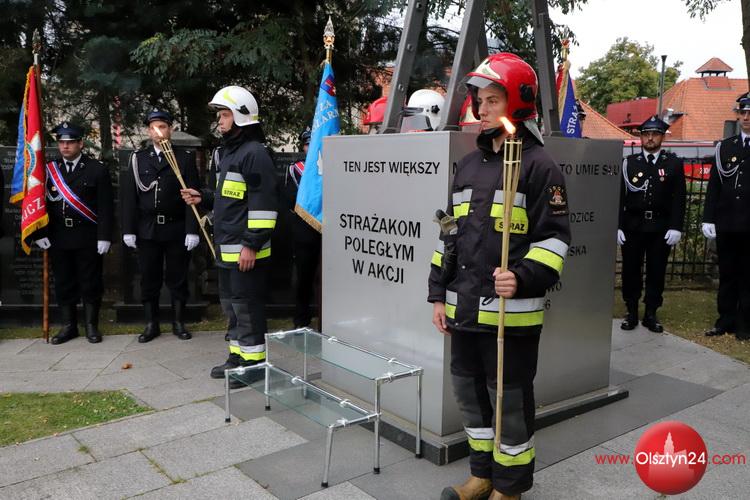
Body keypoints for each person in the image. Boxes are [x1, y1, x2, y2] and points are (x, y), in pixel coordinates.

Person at [428, 53, 571, 500]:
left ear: (518, 103)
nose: (482, 108)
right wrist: (437, 293)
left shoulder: (540, 166)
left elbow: (555, 239)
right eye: (480, 100)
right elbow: (449, 232)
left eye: (493, 100)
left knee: (509, 404)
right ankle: (482, 474)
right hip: (464, 310)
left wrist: (524, 276)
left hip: (511, 316)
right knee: (469, 396)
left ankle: (510, 487)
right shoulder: (468, 165)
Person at [181, 85, 278, 385]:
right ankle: (237, 356)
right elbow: (231, 198)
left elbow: (264, 206)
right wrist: (204, 198)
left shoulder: (255, 154)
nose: (219, 121)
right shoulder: (230, 153)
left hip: (246, 251)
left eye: (224, 115)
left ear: (241, 116)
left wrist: (251, 245)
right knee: (233, 308)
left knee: (247, 308)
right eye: (220, 115)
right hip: (227, 249)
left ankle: (254, 365)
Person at [120, 110, 201, 343]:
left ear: (170, 129)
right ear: (148, 131)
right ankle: (151, 324)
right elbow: (130, 198)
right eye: (153, 128)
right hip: (148, 229)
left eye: (162, 127)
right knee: (149, 278)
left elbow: (192, 196)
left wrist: (192, 230)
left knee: (178, 277)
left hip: (175, 228)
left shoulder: (184, 158)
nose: (158, 132)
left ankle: (178, 322)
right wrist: (128, 229)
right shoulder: (138, 159)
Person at [35, 123, 113, 344]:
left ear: (80, 144)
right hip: (59, 236)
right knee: (63, 281)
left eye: (70, 142)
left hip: (87, 235)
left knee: (90, 281)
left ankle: (91, 325)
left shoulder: (96, 169)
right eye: (61, 142)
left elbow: (106, 207)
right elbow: (41, 204)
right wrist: (40, 233)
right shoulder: (50, 170)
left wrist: (104, 236)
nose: (65, 146)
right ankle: (69, 326)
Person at [617, 115, 686, 333]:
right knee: (631, 270)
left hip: (660, 226)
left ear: (662, 137)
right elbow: (619, 197)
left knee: (656, 271)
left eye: (655, 134)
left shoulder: (673, 164)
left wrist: (676, 226)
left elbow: (679, 198)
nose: (650, 138)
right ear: (640, 137)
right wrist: (618, 225)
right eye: (646, 134)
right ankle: (631, 311)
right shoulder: (629, 163)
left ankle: (651, 313)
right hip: (633, 226)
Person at [702, 93, 750, 340]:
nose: (746, 117)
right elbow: (714, 185)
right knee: (728, 273)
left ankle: (744, 324)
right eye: (743, 113)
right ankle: (725, 320)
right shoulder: (725, 147)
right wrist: (708, 218)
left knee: (747, 275)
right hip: (727, 221)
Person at [284, 127, 321, 328]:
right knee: (304, 277)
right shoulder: (296, 169)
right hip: (305, 231)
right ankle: (301, 319)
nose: (310, 147)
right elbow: (290, 199)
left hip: (330, 231)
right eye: (307, 144)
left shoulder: (333, 166)